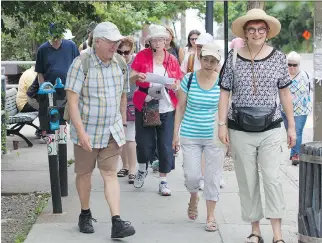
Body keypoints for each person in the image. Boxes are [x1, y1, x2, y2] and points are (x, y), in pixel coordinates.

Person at [218, 9, 296, 243]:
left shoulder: (279, 58)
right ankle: (255, 231)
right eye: (251, 29)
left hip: (271, 126)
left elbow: (284, 92)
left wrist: (291, 126)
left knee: (272, 178)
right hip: (240, 127)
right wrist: (221, 124)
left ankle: (277, 234)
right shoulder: (232, 57)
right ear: (245, 32)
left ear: (267, 32)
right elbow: (224, 93)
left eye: (261, 29)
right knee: (247, 180)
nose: (256, 33)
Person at [65, 22, 135, 239]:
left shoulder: (120, 63)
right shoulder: (81, 64)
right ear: (97, 42)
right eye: (112, 43)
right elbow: (72, 102)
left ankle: (117, 221)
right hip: (86, 132)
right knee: (84, 174)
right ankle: (85, 214)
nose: (116, 47)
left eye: (118, 43)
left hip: (111, 132)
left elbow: (124, 95)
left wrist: (122, 124)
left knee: (110, 174)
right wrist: (80, 132)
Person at [173, 43, 224, 232]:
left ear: (218, 62)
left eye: (213, 61)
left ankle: (210, 216)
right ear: (200, 59)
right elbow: (180, 107)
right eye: (205, 59)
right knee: (192, 176)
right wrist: (175, 134)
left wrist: (226, 134)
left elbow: (226, 110)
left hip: (214, 135)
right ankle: (193, 196)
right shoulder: (189, 78)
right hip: (190, 133)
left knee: (213, 177)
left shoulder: (222, 81)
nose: (209, 64)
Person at [130, 24, 183, 196]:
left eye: (163, 39)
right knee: (145, 144)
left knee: (165, 145)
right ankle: (142, 167)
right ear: (150, 42)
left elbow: (178, 82)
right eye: (156, 39)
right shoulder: (141, 56)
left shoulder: (172, 59)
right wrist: (137, 76)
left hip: (165, 104)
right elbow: (131, 76)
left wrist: (175, 86)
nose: (160, 42)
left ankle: (163, 180)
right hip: (147, 103)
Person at [281, 51, 312, 165]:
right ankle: (294, 151)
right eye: (289, 64)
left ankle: (295, 154)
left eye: (295, 65)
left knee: (297, 132)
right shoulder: (283, 76)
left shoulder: (306, 76)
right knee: (289, 132)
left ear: (299, 65)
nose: (292, 67)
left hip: (301, 110)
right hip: (285, 110)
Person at [117, 37, 137, 184]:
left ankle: (133, 169)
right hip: (116, 104)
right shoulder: (113, 63)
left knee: (130, 138)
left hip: (132, 104)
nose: (123, 55)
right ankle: (125, 165)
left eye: (126, 52)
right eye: (120, 52)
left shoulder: (136, 64)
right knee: (120, 139)